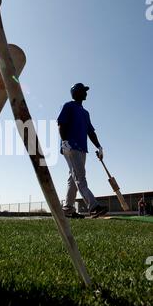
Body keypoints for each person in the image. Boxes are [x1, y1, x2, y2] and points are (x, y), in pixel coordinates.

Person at [57, 83, 108, 219]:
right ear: (76, 93)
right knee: (80, 177)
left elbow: (90, 132)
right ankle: (93, 207)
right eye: (83, 91)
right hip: (70, 147)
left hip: (82, 149)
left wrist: (99, 146)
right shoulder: (68, 106)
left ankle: (67, 209)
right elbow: (61, 124)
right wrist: (64, 141)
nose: (86, 93)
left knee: (73, 178)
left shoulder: (85, 113)